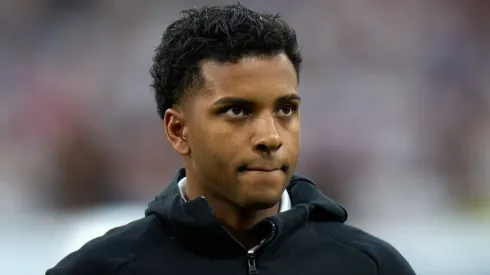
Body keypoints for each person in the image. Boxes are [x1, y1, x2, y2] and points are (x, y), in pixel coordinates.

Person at [46, 4, 415, 275]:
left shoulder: (372, 267)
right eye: (238, 111)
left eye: (285, 109)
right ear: (178, 130)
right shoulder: (100, 270)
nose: (270, 137)